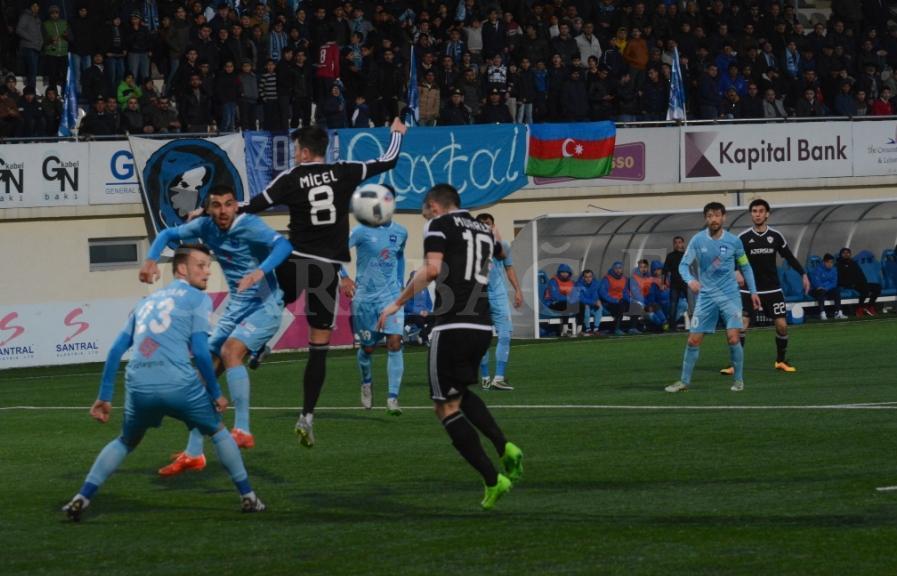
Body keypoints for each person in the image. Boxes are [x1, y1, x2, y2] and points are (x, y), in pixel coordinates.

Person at [62, 245, 266, 521]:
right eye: (201, 265)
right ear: (181, 269)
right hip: (179, 385)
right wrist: (216, 392)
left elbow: (115, 350)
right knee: (218, 432)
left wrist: (105, 396)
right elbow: (200, 351)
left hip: (139, 385)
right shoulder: (197, 299)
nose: (207, 272)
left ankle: (82, 496)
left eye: (208, 266)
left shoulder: (145, 303)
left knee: (125, 441)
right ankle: (248, 497)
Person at [242, 118, 406, 447]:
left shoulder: (292, 177)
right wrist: (397, 134)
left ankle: (259, 345)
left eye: (295, 150)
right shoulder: (344, 171)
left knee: (277, 300)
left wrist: (212, 211)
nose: (294, 156)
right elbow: (388, 160)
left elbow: (254, 205)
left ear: (304, 152)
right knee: (319, 348)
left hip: (295, 260)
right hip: (326, 270)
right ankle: (307, 416)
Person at [376, 184, 523, 510]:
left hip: (452, 325)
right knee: (458, 393)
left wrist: (397, 303)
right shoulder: (483, 229)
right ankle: (505, 447)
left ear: (434, 205)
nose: (423, 216)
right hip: (481, 325)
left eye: (424, 210)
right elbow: (500, 254)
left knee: (444, 406)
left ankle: (492, 479)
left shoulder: (438, 225)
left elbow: (431, 270)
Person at [139, 186, 292, 475]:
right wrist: (150, 259)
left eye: (228, 204)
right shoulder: (205, 226)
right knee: (202, 379)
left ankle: (243, 429)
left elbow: (284, 246)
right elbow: (168, 234)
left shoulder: (249, 224)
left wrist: (259, 272)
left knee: (230, 351)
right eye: (217, 205)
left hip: (265, 304)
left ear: (236, 206)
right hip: (237, 307)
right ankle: (194, 453)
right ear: (208, 209)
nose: (223, 211)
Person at [666, 202, 760, 393]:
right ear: (706, 218)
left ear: (724, 217)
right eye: (710, 216)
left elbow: (745, 266)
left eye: (717, 215)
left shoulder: (734, 241)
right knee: (693, 340)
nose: (714, 219)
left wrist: (753, 292)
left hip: (730, 296)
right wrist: (690, 280)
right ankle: (684, 382)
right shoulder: (698, 240)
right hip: (707, 297)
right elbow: (683, 266)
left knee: (733, 338)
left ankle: (739, 380)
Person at [720, 199, 811, 375]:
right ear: (751, 214)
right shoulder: (743, 237)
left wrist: (803, 274)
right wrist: (735, 271)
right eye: (754, 211)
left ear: (767, 214)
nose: (757, 214)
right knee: (741, 326)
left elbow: (789, 257)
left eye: (761, 211)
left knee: (782, 326)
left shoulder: (776, 236)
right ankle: (735, 364)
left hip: (772, 289)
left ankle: (780, 361)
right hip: (748, 289)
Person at [339, 204, 408, 415]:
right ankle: (366, 383)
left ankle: (393, 398)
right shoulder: (361, 231)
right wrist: (344, 277)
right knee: (368, 349)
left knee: (395, 343)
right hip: (365, 299)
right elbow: (336, 251)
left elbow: (400, 256)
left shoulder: (401, 232)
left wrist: (400, 282)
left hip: (391, 297)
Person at [476, 213, 523, 391]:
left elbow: (508, 267)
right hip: (479, 296)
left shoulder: (503, 245)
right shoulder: (472, 247)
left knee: (505, 334)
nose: (485, 226)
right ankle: (485, 377)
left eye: (488, 223)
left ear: (493, 225)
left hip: (499, 295)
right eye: (481, 224)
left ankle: (499, 377)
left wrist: (517, 290)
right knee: (482, 338)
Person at [837, 247, 880, 316]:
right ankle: (859, 308)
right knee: (865, 289)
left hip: (860, 283)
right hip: (850, 285)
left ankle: (870, 306)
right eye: (844, 253)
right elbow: (839, 279)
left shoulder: (853, 263)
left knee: (877, 287)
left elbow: (861, 274)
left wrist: (864, 282)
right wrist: (849, 284)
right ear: (841, 254)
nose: (846, 254)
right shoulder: (838, 265)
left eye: (848, 253)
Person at [598, 261, 637, 336]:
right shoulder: (607, 279)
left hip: (621, 301)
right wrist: (614, 300)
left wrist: (630, 301)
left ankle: (632, 328)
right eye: (616, 268)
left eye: (620, 268)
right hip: (609, 303)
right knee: (620, 306)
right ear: (613, 269)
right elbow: (602, 293)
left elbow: (625, 292)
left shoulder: (624, 279)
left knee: (635, 306)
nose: (618, 270)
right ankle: (617, 329)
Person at [662, 236, 689, 331]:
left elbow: (693, 268)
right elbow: (665, 271)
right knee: (673, 304)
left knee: (692, 304)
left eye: (679, 242)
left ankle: (696, 324)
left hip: (687, 283)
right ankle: (672, 326)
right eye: (675, 243)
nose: (677, 244)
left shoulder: (687, 255)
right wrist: (663, 283)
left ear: (683, 243)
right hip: (675, 284)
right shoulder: (670, 256)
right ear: (673, 244)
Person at [810, 253, 846, 320]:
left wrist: (825, 288)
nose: (830, 264)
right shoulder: (817, 269)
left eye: (831, 262)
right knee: (821, 292)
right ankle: (822, 313)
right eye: (828, 262)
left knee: (837, 291)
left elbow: (834, 283)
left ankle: (838, 312)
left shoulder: (834, 270)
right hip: (816, 290)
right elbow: (815, 282)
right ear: (824, 262)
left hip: (827, 289)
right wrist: (821, 287)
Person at [403, 272, 433, 345]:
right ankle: (425, 340)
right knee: (419, 319)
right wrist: (419, 312)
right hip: (411, 314)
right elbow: (407, 306)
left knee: (435, 318)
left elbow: (429, 303)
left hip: (423, 313)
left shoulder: (424, 288)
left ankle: (421, 334)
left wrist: (426, 311)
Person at [574, 269, 602, 335]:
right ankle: (588, 329)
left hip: (591, 304)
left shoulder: (595, 284)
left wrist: (596, 301)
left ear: (592, 277)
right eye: (586, 277)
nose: (588, 279)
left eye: (590, 277)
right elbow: (581, 298)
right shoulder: (578, 285)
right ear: (583, 278)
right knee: (586, 307)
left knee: (600, 307)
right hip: (580, 306)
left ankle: (596, 329)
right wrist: (593, 302)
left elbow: (595, 296)